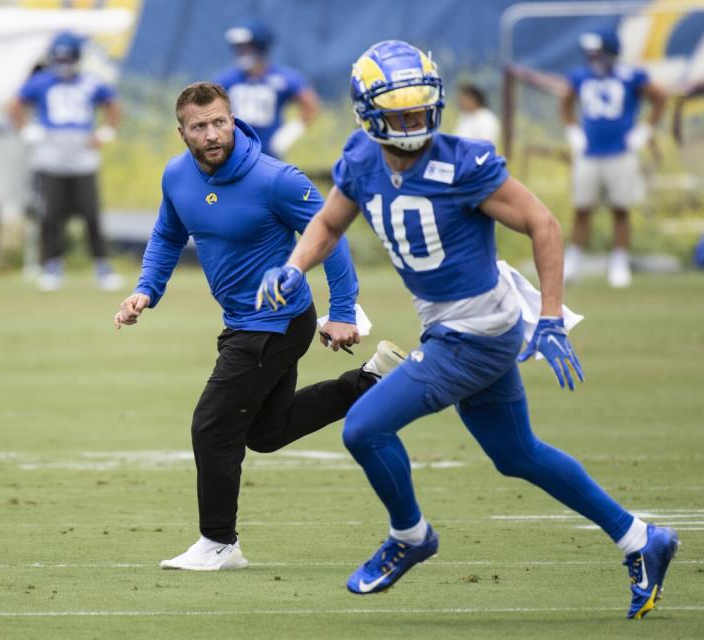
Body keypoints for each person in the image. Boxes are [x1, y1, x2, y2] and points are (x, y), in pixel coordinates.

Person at [258, 40, 678, 620]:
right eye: (398, 110)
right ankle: (641, 539)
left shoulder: (463, 162)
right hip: (455, 326)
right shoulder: (359, 159)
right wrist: (293, 265)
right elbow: (328, 224)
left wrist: (552, 315)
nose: (411, 121)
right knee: (517, 454)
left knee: (364, 428)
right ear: (369, 114)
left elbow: (543, 223)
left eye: (418, 108)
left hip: (475, 333)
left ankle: (410, 536)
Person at [114, 81, 404, 571]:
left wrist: (344, 311)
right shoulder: (176, 176)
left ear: (233, 120)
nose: (212, 134)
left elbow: (330, 237)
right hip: (244, 322)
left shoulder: (276, 179)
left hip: (275, 322)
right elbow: (167, 234)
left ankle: (219, 544)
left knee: (212, 426)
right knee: (268, 431)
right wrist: (146, 290)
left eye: (220, 122)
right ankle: (372, 381)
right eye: (199, 126)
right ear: (182, 132)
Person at [10, 31, 124, 292]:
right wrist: (26, 129)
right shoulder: (41, 82)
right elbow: (15, 105)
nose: (63, 63)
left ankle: (102, 267)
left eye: (68, 58)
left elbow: (113, 105)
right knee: (51, 216)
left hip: (83, 159)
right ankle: (52, 266)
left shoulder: (91, 83)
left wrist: (105, 132)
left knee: (91, 215)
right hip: (51, 159)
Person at [560, 29, 666, 288]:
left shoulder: (631, 75)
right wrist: (573, 129)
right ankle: (573, 262)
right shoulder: (581, 76)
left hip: (621, 151)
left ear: (610, 52)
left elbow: (660, 98)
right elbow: (565, 101)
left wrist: (645, 130)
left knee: (621, 209)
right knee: (582, 209)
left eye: (598, 51)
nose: (593, 56)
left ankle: (620, 262)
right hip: (589, 152)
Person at [215, 19, 319, 159]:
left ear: (260, 46)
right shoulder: (227, 79)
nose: (241, 52)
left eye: (246, 47)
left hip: (269, 155)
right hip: (235, 152)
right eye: (238, 47)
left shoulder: (282, 77)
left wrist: (288, 135)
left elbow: (310, 104)